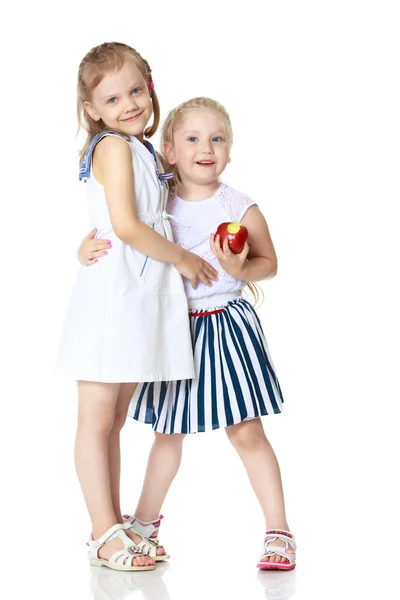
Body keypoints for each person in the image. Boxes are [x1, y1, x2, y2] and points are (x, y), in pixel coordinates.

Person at [78, 96, 296, 570]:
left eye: (217, 138)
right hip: (174, 329)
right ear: (169, 152)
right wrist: (85, 246)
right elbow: (124, 228)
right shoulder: (159, 199)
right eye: (193, 138)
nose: (206, 147)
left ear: (230, 151)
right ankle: (143, 523)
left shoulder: (238, 206)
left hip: (226, 328)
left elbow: (270, 264)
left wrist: (242, 266)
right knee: (168, 433)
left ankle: (278, 531)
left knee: (246, 431)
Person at [56, 44, 217, 572]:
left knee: (114, 419)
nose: (128, 103)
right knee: (97, 419)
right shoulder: (112, 148)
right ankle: (103, 534)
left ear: (150, 87)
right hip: (111, 301)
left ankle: (114, 522)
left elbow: (124, 218)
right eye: (111, 97)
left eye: (135, 90)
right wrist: (186, 260)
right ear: (92, 110)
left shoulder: (140, 148)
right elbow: (125, 225)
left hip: (133, 297)